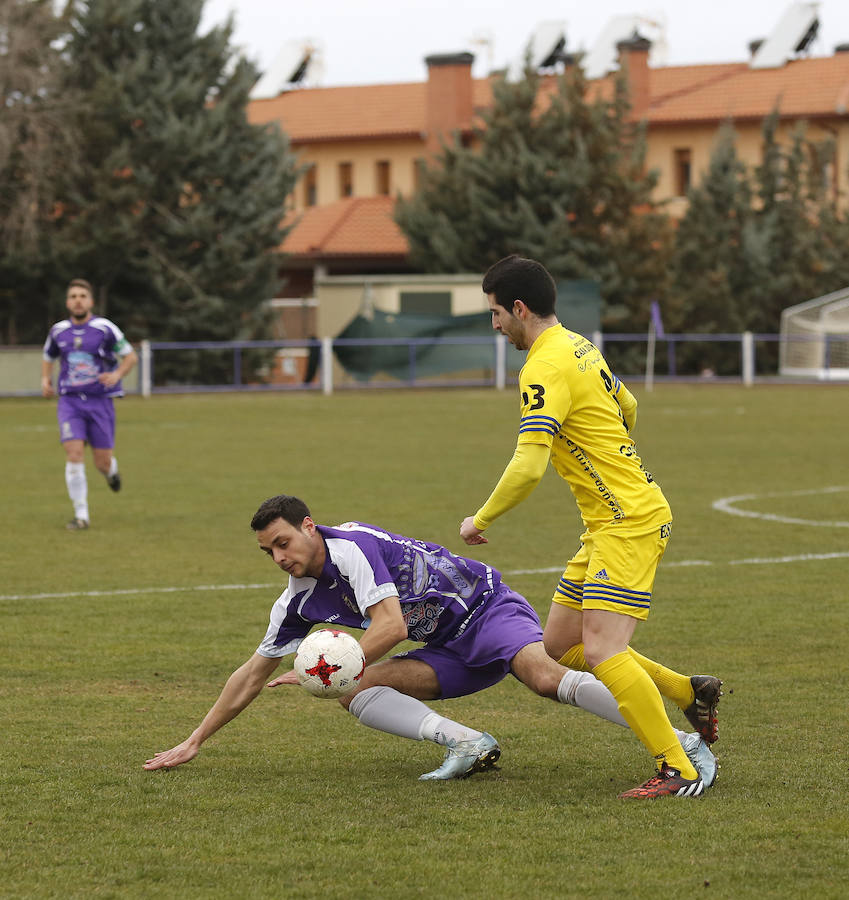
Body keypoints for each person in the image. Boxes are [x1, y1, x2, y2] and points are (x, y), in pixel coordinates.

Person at [144, 494, 716, 792]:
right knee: (354, 691)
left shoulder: (352, 549)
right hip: (445, 649)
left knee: (545, 677)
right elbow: (250, 674)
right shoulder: (296, 600)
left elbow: (389, 627)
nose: (279, 557)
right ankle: (468, 744)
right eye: (268, 551)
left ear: (310, 526)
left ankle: (678, 743)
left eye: (284, 542)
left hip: (485, 608)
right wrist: (194, 741)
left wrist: (333, 662)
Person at [459, 255, 722, 799]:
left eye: (495, 314)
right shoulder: (579, 344)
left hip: (628, 521)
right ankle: (686, 690)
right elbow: (628, 403)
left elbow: (528, 464)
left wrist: (480, 519)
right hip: (612, 519)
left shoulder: (543, 365)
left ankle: (679, 767)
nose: (494, 325)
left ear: (519, 308)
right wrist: (611, 455)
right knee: (559, 645)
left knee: (603, 650)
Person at [41, 278, 138, 530]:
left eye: (82, 295)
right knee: (73, 454)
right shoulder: (58, 331)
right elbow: (48, 356)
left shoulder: (104, 328)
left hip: (100, 402)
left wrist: (116, 375)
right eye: (73, 296)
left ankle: (111, 472)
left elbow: (130, 356)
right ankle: (81, 515)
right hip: (70, 402)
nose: (77, 300)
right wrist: (45, 380)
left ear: (91, 301)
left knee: (101, 462)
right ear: (67, 302)